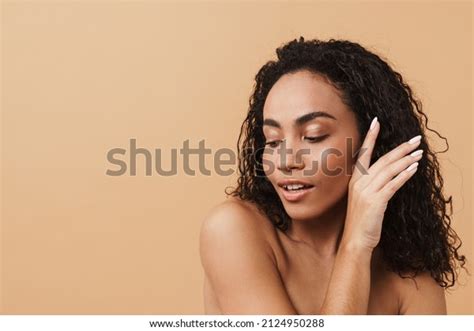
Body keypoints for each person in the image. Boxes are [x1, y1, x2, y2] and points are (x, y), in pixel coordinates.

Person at [199, 37, 467, 314]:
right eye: (273, 140)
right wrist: (355, 245)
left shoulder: (409, 274)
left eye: (314, 136)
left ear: (371, 144)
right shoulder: (233, 230)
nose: (286, 160)